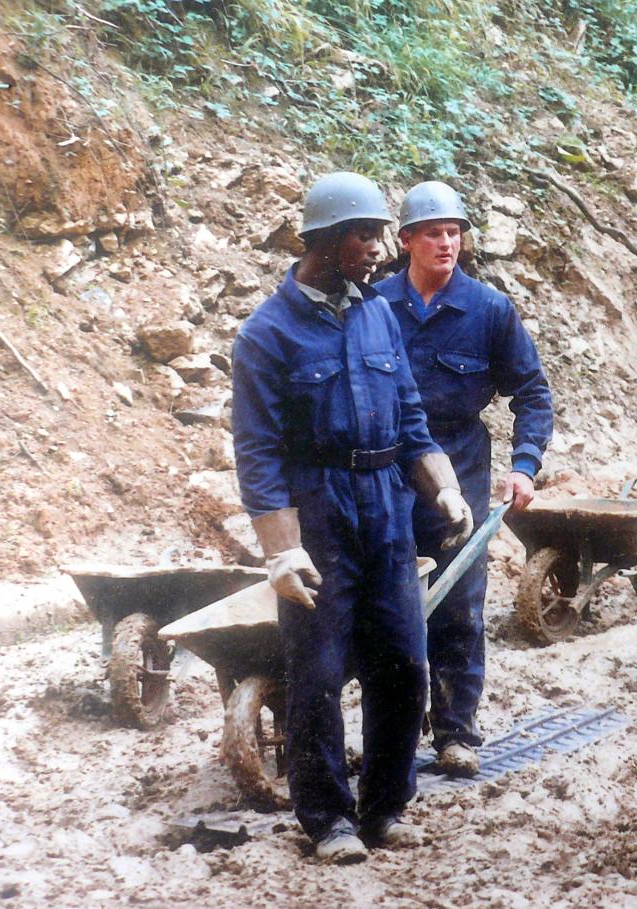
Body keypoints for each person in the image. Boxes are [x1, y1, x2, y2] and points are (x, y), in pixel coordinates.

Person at [231, 172, 473, 864]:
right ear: (327, 241)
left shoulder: (376, 314)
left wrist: (443, 488)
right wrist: (281, 549)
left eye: (377, 234)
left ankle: (387, 805)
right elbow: (258, 454)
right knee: (318, 672)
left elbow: (412, 418)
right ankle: (328, 817)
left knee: (403, 661)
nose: (378, 248)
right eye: (365, 236)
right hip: (319, 514)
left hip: (387, 507)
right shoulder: (267, 334)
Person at [374, 181, 553, 779]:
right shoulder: (372, 306)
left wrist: (524, 463)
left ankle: (456, 733)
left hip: (463, 464)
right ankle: (393, 735)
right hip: (389, 469)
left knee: (458, 602)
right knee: (387, 603)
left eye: (454, 233)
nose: (447, 243)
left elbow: (532, 394)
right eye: (433, 233)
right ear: (405, 242)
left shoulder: (489, 311)